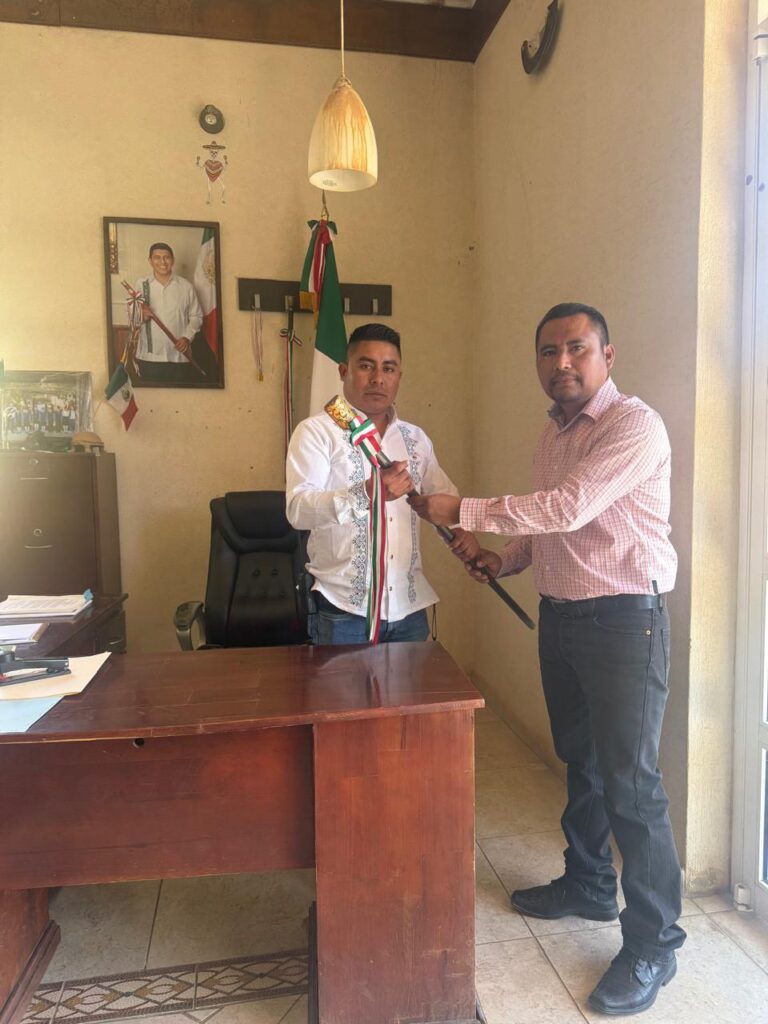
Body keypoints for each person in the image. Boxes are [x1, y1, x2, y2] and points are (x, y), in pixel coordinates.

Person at [409, 303, 685, 1016]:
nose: (561, 362)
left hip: (624, 623)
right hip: (563, 618)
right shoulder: (553, 433)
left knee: (632, 784)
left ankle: (654, 943)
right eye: (548, 351)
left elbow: (567, 507)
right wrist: (503, 560)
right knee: (582, 762)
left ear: (607, 356)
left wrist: (461, 509)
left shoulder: (634, 426)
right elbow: (551, 528)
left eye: (576, 348)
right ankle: (589, 883)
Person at [286, 322, 478, 645]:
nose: (378, 378)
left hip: (408, 609)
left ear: (399, 376)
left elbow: (443, 497)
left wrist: (463, 532)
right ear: (344, 371)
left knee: (415, 683)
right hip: (343, 611)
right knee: (342, 684)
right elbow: (297, 510)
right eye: (366, 366)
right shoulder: (316, 432)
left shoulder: (415, 439)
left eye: (388, 368)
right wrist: (368, 493)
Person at [133, 242, 206, 383]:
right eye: (157, 257)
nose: (163, 262)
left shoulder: (186, 287)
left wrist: (186, 338)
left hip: (179, 356)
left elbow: (196, 316)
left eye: (166, 257)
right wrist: (141, 315)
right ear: (150, 261)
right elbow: (132, 318)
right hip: (149, 357)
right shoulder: (141, 285)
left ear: (173, 260)